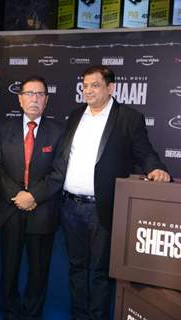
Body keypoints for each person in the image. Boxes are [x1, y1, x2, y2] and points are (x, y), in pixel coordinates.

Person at [19, 65, 171, 320]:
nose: (88, 90)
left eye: (95, 85)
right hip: (69, 207)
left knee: (100, 270)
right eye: (85, 85)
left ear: (110, 88)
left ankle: (97, 316)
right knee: (76, 267)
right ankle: (79, 315)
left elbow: (145, 152)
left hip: (103, 206)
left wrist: (156, 168)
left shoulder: (129, 118)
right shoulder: (76, 114)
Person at [0, 76, 64, 320]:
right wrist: (16, 195)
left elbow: (59, 173)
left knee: (38, 271)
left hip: (42, 210)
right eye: (29, 93)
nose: (34, 98)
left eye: (40, 94)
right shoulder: (3, 129)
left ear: (46, 100)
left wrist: (33, 196)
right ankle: (9, 311)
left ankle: (32, 313)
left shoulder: (58, 132)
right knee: (9, 268)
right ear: (20, 99)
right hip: (11, 209)